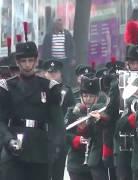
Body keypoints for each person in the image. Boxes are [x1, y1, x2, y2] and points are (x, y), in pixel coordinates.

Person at [0, 41, 64, 180]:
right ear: (17, 62)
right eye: (23, 61)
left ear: (36, 61)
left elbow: (57, 122)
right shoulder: (7, 87)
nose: (27, 65)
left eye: (30, 60)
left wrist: (55, 147)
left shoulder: (49, 87)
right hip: (13, 152)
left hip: (40, 151)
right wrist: (8, 140)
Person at [114, 44, 138, 180]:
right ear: (128, 63)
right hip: (123, 139)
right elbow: (112, 114)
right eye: (133, 63)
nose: (136, 66)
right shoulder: (118, 83)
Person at [43, 59, 75, 180]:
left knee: (58, 173)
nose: (52, 75)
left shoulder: (66, 91)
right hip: (43, 136)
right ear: (45, 73)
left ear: (60, 73)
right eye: (49, 72)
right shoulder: (40, 89)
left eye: (55, 72)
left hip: (60, 135)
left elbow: (71, 110)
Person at [42, 18, 75, 85]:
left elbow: (72, 47)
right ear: (55, 25)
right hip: (53, 60)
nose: (60, 26)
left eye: (61, 24)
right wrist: (45, 60)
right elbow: (45, 48)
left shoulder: (67, 34)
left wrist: (73, 58)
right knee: (53, 76)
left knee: (65, 77)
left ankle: (65, 90)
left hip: (65, 60)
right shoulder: (49, 35)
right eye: (58, 24)